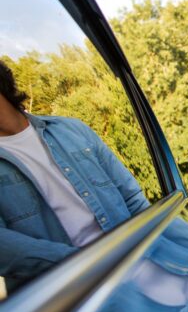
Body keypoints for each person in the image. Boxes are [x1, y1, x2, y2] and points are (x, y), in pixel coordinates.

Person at [0, 59, 149, 292]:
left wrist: (157, 255)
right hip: (64, 297)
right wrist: (87, 263)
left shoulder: (73, 129)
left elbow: (133, 200)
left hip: (132, 271)